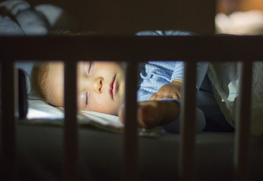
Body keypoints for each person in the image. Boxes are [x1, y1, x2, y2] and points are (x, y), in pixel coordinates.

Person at [32, 30, 234, 133]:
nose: (97, 84)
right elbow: (197, 121)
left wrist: (180, 82)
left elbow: (194, 44)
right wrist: (163, 112)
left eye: (89, 68)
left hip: (235, 67)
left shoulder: (139, 45)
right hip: (242, 113)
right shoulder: (138, 109)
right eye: (85, 97)